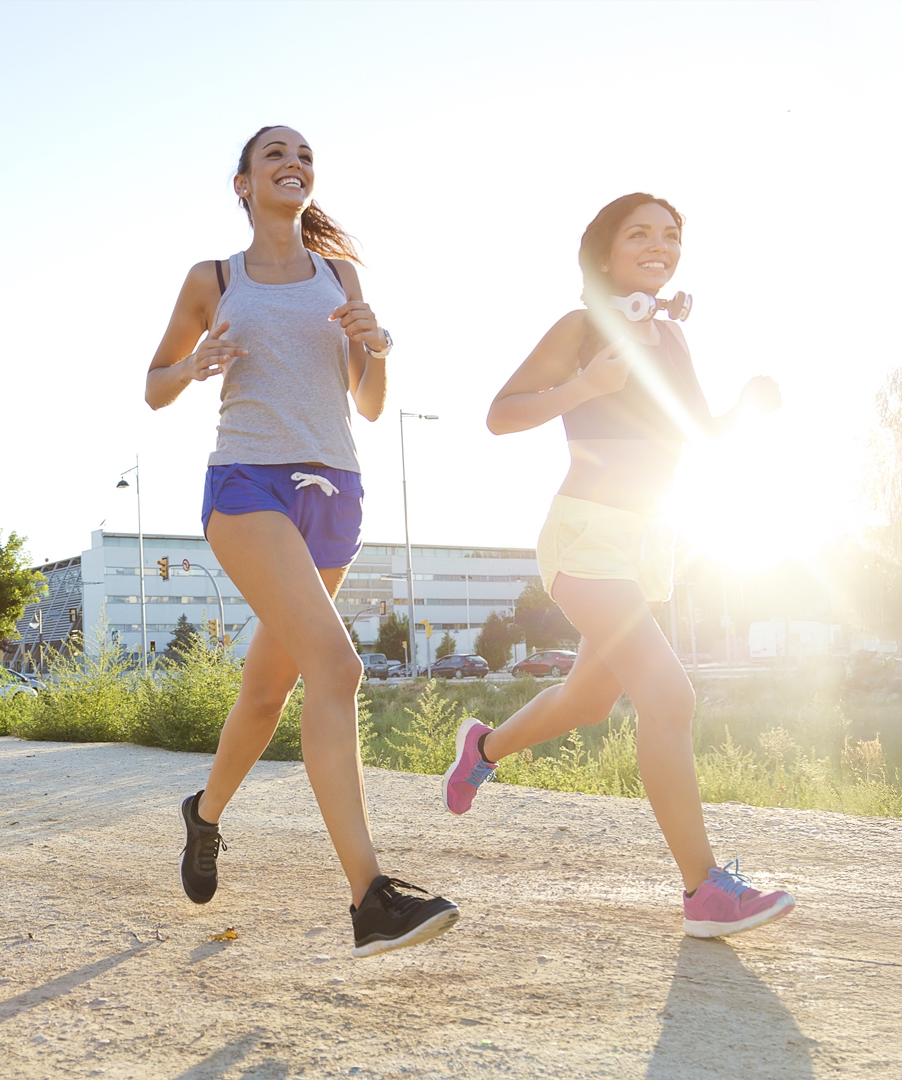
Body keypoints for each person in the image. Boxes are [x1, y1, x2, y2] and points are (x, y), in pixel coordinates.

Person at [145, 125, 459, 957]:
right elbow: (153, 385)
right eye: (275, 155)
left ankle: (203, 816)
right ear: (243, 183)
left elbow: (370, 403)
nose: (294, 164)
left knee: (265, 693)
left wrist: (377, 345)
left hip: (336, 491)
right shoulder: (212, 278)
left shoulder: (341, 275)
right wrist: (195, 365)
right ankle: (370, 897)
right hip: (248, 483)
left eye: (306, 157)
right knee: (339, 666)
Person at [446, 193, 795, 938]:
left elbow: (700, 435)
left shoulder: (669, 336)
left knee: (588, 700)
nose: (660, 244)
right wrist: (585, 386)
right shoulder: (581, 327)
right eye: (640, 233)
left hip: (650, 543)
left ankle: (483, 747)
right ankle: (705, 893)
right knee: (670, 699)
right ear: (604, 252)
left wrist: (746, 409)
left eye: (672, 235)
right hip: (587, 538)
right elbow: (502, 413)